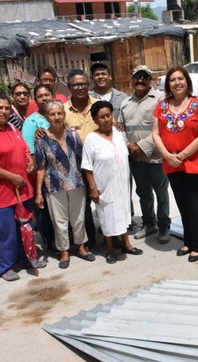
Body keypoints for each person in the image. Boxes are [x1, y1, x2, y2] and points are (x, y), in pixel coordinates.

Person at [0, 93, 46, 281]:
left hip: (23, 189)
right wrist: (12, 177)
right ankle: (6, 266)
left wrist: (29, 161)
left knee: (25, 226)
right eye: (0, 108)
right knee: (7, 230)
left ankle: (26, 258)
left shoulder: (13, 128)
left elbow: (23, 148)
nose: (4, 112)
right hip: (2, 192)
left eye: (7, 108)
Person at [152, 66, 198, 263]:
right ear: (168, 84)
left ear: (187, 82)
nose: (177, 83)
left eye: (180, 79)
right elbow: (155, 134)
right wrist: (167, 155)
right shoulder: (162, 106)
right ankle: (187, 240)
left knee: (195, 205)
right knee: (182, 204)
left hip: (192, 162)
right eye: (172, 80)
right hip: (171, 163)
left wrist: (183, 154)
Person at [34, 101, 95, 269]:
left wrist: (91, 184)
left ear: (64, 114)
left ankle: (81, 247)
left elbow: (83, 160)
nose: (56, 117)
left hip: (76, 183)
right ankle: (65, 251)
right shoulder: (41, 139)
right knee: (59, 221)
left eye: (59, 113)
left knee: (78, 218)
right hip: (54, 186)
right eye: (52, 114)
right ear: (47, 117)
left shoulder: (73, 136)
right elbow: (40, 167)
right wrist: (38, 192)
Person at [81, 101, 143, 264]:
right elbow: (87, 167)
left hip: (121, 184)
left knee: (123, 213)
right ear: (95, 119)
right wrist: (93, 188)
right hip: (104, 186)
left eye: (108, 115)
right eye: (102, 117)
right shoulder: (91, 139)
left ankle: (126, 245)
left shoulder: (118, 132)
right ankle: (109, 251)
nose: (106, 119)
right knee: (107, 218)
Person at [118, 65, 170, 244]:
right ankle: (149, 224)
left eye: (144, 77)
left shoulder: (161, 99)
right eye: (137, 77)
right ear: (132, 80)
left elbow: (163, 128)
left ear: (151, 80)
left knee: (161, 193)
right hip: (136, 158)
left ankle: (164, 226)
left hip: (156, 156)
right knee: (143, 193)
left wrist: (140, 145)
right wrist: (129, 145)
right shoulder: (125, 103)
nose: (140, 80)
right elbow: (119, 129)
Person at [64, 69, 99, 248]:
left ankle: (114, 235)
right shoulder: (62, 110)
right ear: (69, 87)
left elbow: (111, 126)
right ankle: (89, 239)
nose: (80, 87)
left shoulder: (98, 104)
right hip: (75, 166)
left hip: (100, 164)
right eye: (76, 84)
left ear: (89, 85)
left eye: (83, 84)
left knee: (105, 199)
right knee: (82, 205)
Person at [21, 83, 57, 252]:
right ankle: (50, 240)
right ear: (35, 100)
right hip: (43, 171)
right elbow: (29, 150)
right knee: (44, 208)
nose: (44, 98)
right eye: (40, 96)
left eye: (47, 95)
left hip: (60, 171)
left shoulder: (58, 113)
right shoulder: (31, 121)